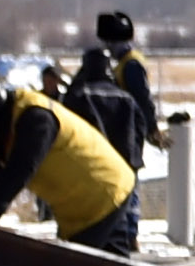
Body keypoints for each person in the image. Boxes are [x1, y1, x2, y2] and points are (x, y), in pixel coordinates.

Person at [0, 53, 141, 253]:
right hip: (85, 205)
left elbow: (18, 172)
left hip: (102, 197)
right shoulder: (8, 126)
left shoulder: (34, 119)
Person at [62, 9, 161, 163]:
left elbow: (142, 98)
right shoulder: (124, 63)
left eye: (109, 43)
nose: (106, 47)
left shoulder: (131, 65)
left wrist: (151, 128)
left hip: (127, 128)